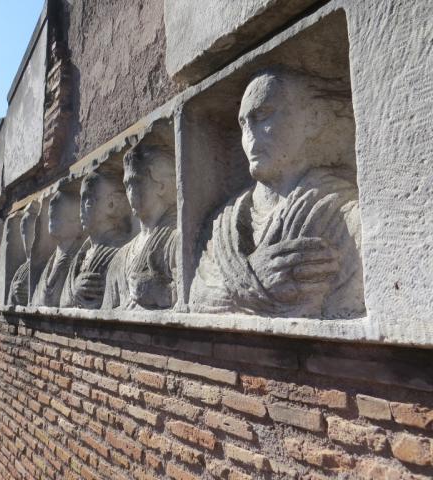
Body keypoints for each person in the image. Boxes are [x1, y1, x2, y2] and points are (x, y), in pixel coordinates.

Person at [190, 66, 364, 318]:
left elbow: (346, 307)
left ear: (313, 120)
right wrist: (254, 284)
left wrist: (238, 291)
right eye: (243, 123)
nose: (249, 136)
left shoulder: (343, 216)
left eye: (263, 115)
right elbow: (197, 297)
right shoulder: (223, 224)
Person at [103, 143, 178, 310]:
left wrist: (162, 293)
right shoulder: (120, 257)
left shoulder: (178, 240)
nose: (129, 192)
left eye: (135, 182)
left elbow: (199, 292)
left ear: (161, 186)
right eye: (126, 185)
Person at [60, 162, 132, 309]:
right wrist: (74, 292)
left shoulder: (122, 250)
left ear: (111, 205)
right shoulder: (81, 254)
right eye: (81, 200)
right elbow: (62, 302)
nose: (80, 208)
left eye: (87, 199)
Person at [31, 181, 84, 307]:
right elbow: (37, 300)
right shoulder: (52, 259)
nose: (52, 218)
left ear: (77, 223)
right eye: (51, 215)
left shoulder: (81, 256)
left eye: (59, 214)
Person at [7, 201, 40, 306]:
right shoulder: (21, 268)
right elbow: (9, 303)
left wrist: (28, 292)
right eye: (23, 233)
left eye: (30, 231)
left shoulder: (43, 263)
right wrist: (14, 292)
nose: (25, 238)